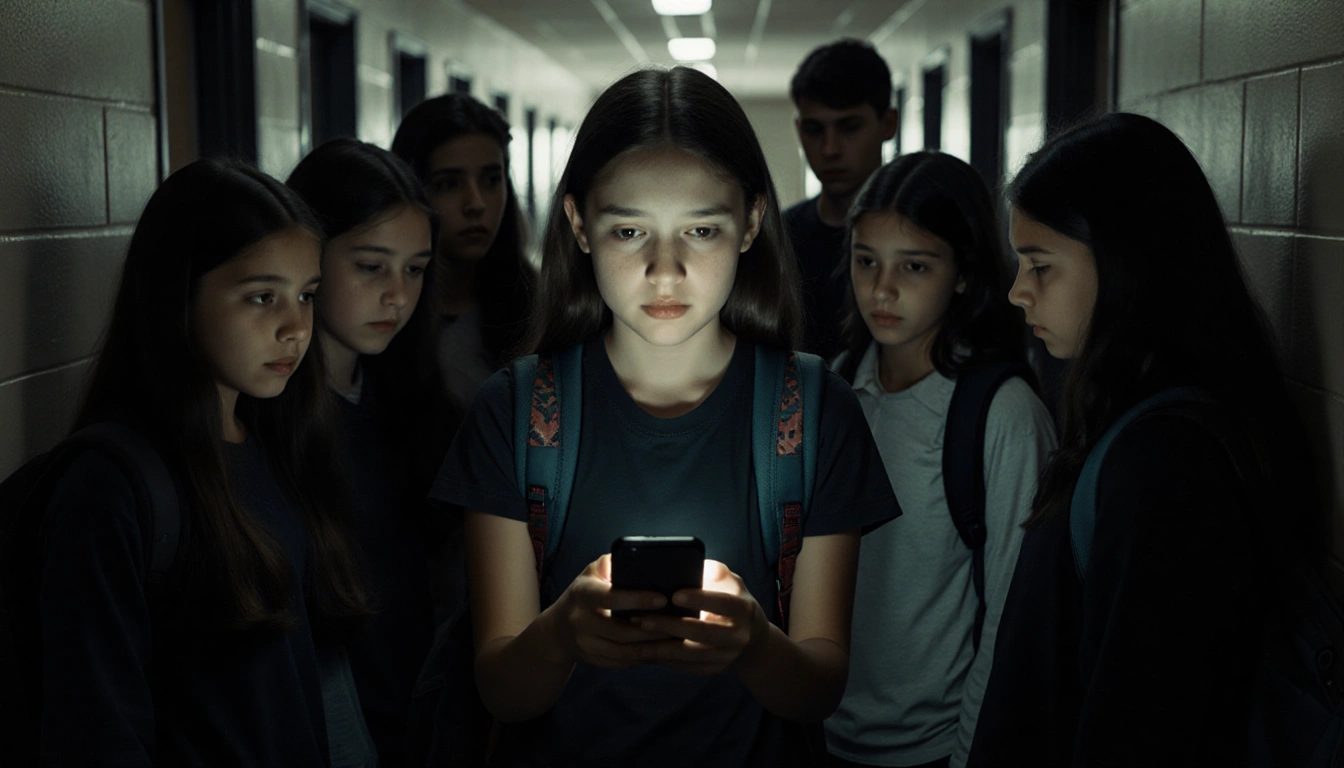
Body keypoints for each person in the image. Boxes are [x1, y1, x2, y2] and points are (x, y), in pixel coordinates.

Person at [430, 66, 901, 766]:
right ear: (579, 226)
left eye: (701, 231)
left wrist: (752, 643)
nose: (665, 270)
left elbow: (819, 686)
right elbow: (501, 688)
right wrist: (562, 632)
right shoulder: (518, 412)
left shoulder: (814, 412)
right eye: (629, 233)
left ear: (751, 224)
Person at [967, 112, 1319, 766]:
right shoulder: (1127, 417)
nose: (1018, 291)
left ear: (1127, 265)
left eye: (1041, 266)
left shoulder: (1164, 461)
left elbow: (1145, 722)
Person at [36, 158, 372, 765]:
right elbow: (94, 725)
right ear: (178, 296)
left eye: (306, 295)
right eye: (262, 296)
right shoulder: (112, 485)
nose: (296, 327)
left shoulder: (280, 444)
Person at [826, 152, 1056, 768]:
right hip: (823, 736)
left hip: (936, 750)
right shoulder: (836, 390)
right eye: (866, 260)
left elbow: (1013, 621)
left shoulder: (1000, 414)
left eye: (915, 266)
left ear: (961, 273)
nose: (882, 289)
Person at [287, 138, 454, 767]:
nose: (397, 294)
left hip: (409, 714)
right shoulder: (269, 420)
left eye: (414, 269)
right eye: (370, 265)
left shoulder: (408, 402)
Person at [391, 93, 534, 414]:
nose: (476, 204)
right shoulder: (384, 315)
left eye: (491, 180)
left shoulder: (539, 310)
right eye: (449, 184)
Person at [785, 38, 899, 359]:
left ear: (888, 124)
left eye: (849, 127)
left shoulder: (926, 237)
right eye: (814, 130)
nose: (830, 149)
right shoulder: (779, 238)